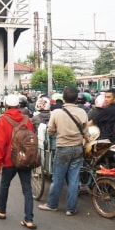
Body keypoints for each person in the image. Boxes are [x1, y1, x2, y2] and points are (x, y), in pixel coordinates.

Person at [38, 86, 89, 216]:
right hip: (78, 148)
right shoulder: (82, 112)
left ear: (63, 99)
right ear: (77, 99)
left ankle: (52, 204)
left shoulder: (56, 113)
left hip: (63, 148)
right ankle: (71, 209)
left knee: (58, 178)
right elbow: (86, 133)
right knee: (74, 180)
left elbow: (50, 131)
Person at [0, 94, 37, 229]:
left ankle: (1, 211)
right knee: (27, 189)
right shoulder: (27, 119)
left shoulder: (3, 120)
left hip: (9, 160)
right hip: (24, 159)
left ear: (5, 105)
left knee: (5, 185)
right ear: (18, 106)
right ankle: (29, 220)